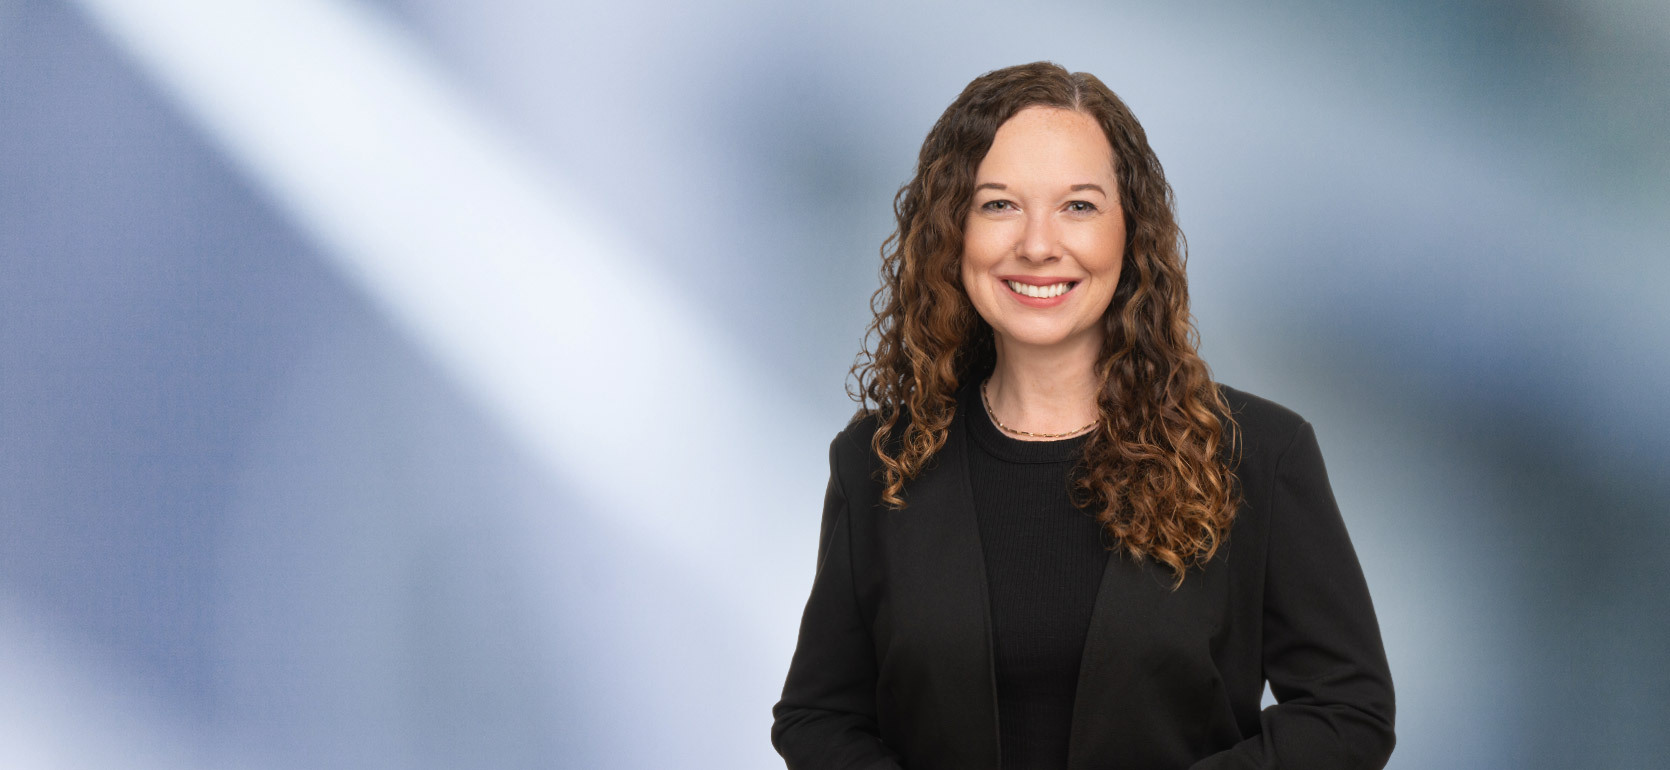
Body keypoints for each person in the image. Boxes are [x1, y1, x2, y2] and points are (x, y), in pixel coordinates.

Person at [771, 62, 1395, 770]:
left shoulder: (1259, 454)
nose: (1038, 244)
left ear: (1131, 234)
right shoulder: (880, 461)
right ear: (952, 232)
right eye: (999, 204)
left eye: (1079, 206)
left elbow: (1349, 712)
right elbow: (818, 718)